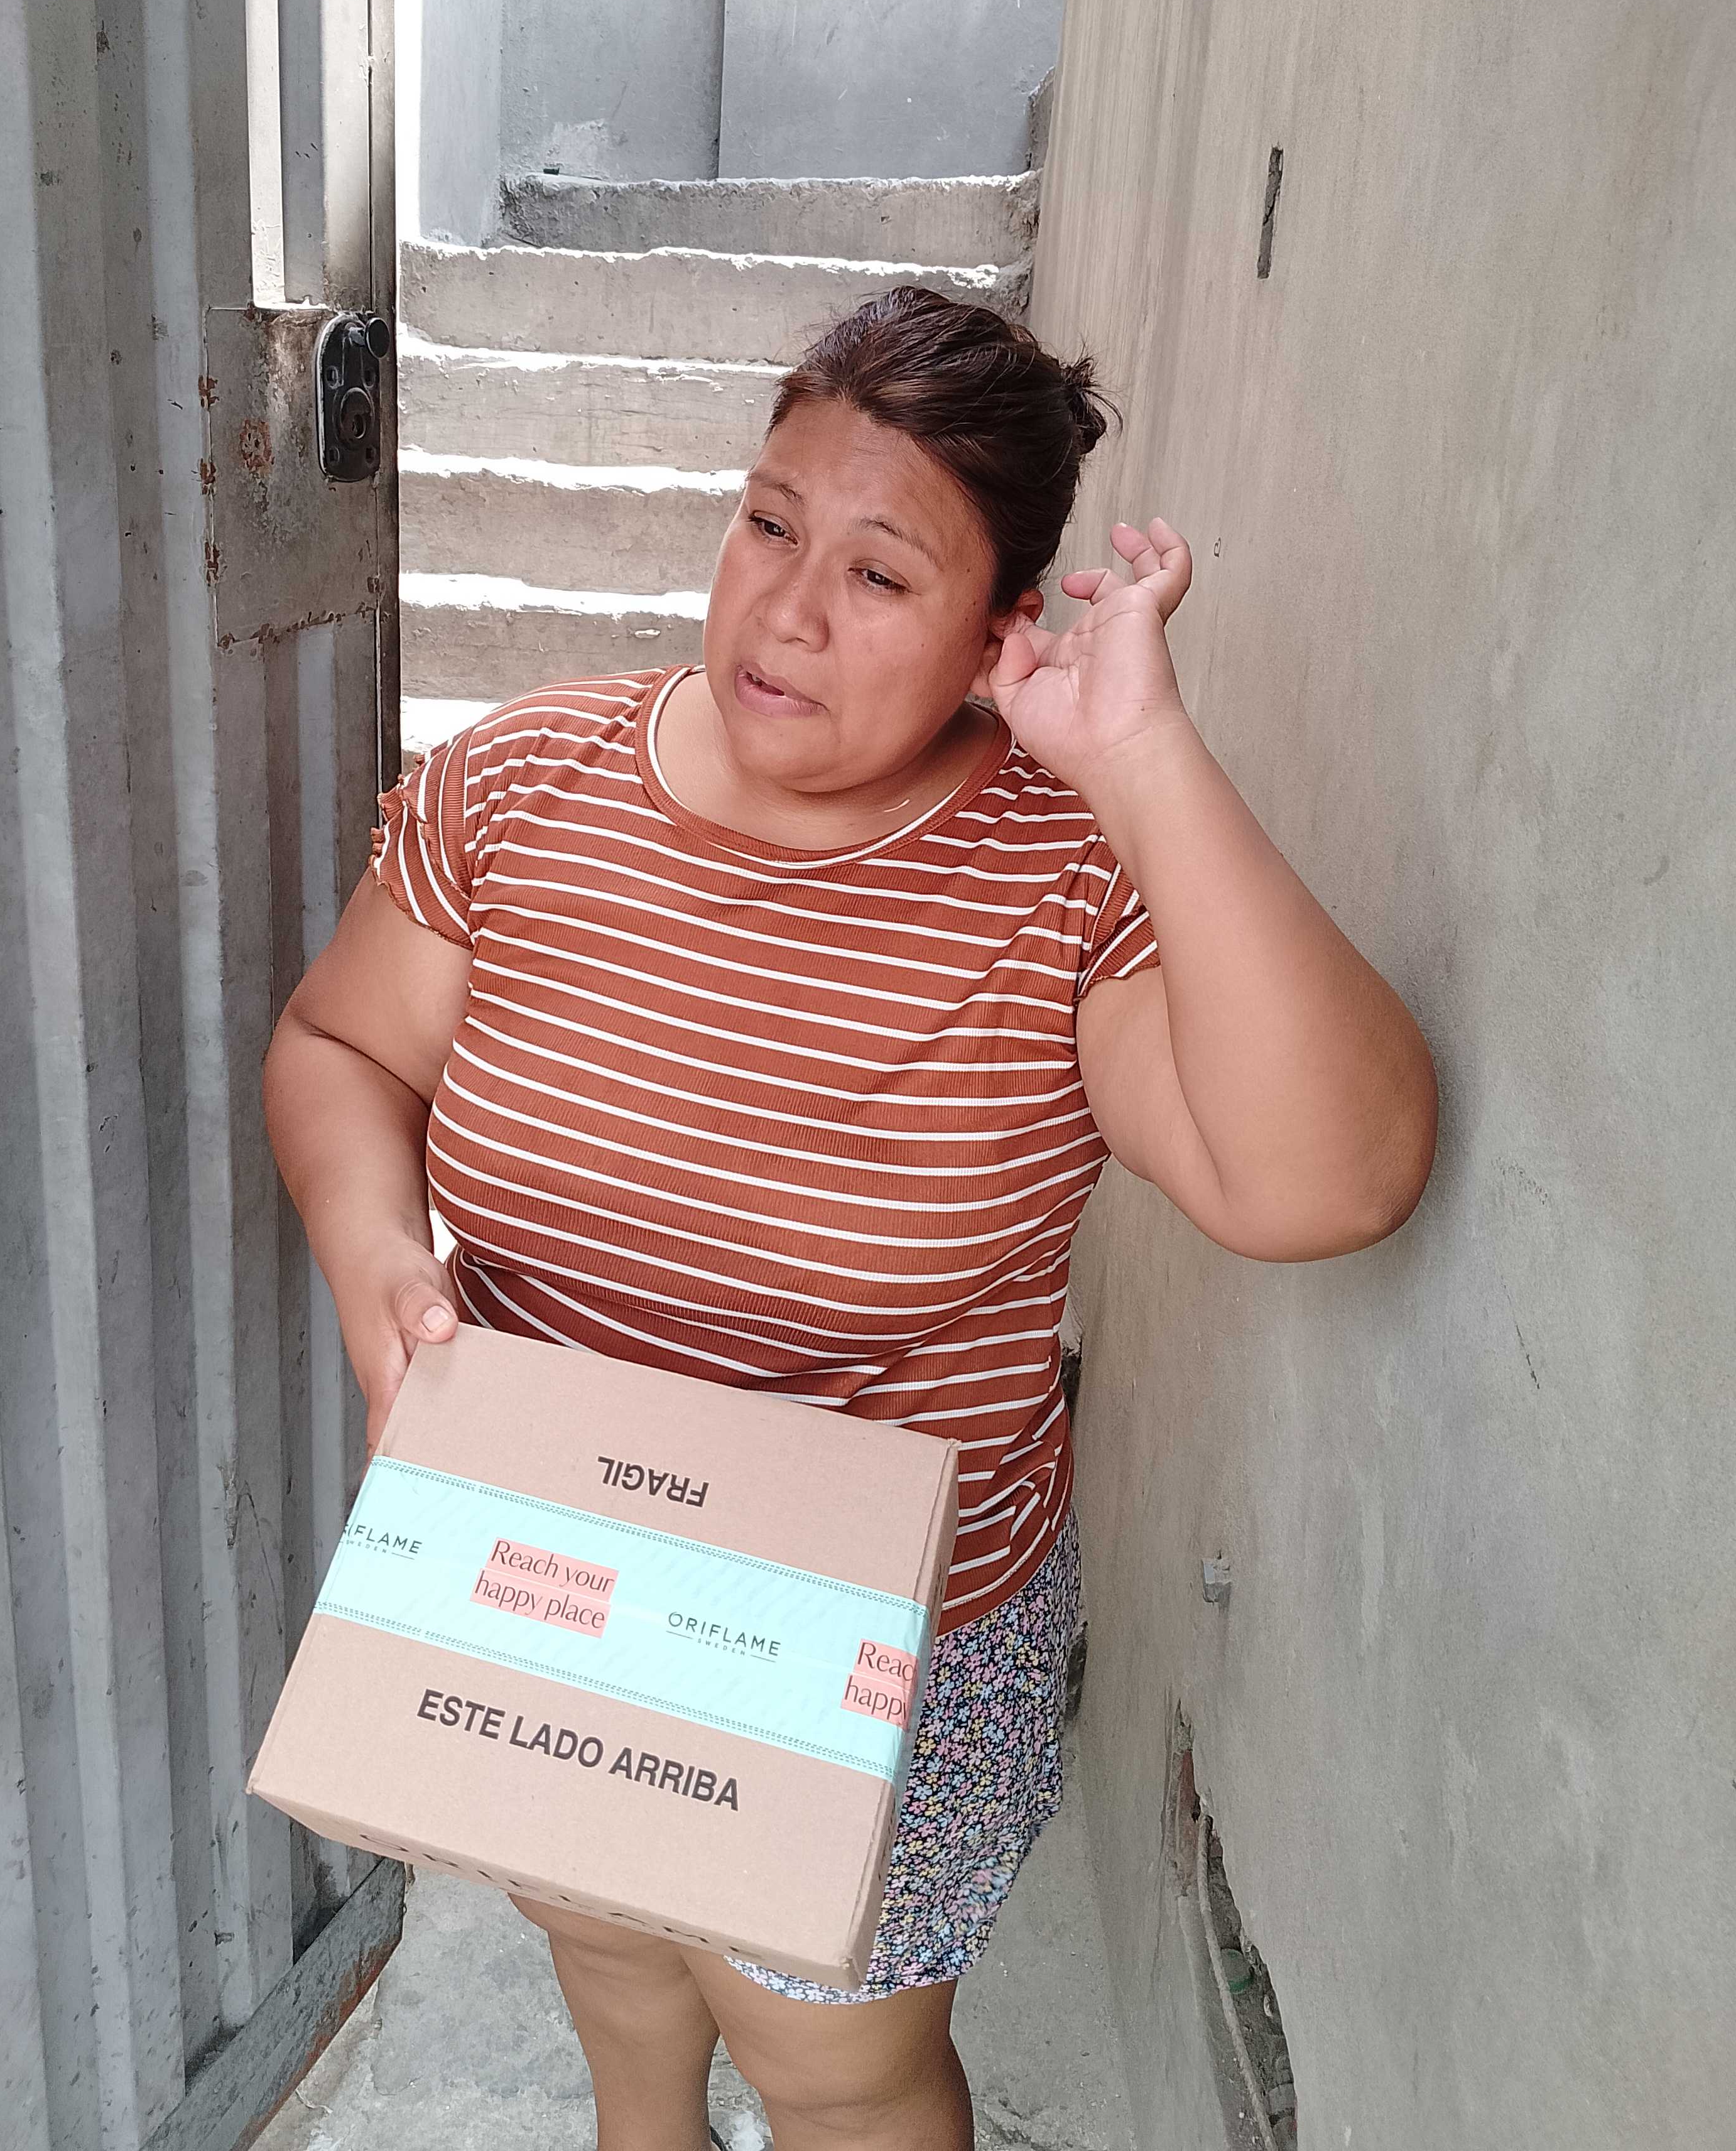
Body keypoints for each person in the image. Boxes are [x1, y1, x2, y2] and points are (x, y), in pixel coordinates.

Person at [264, 286, 1436, 2151]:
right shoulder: (520, 786)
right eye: (769, 524)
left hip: (884, 1648)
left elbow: (1332, 1181)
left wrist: (1141, 764)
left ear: (999, 630)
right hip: (552, 1568)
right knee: (606, 1945)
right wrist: (376, 1263)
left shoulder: (1063, 881)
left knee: (834, 2063)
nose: (787, 610)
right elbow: (340, 1047)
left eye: (882, 575)